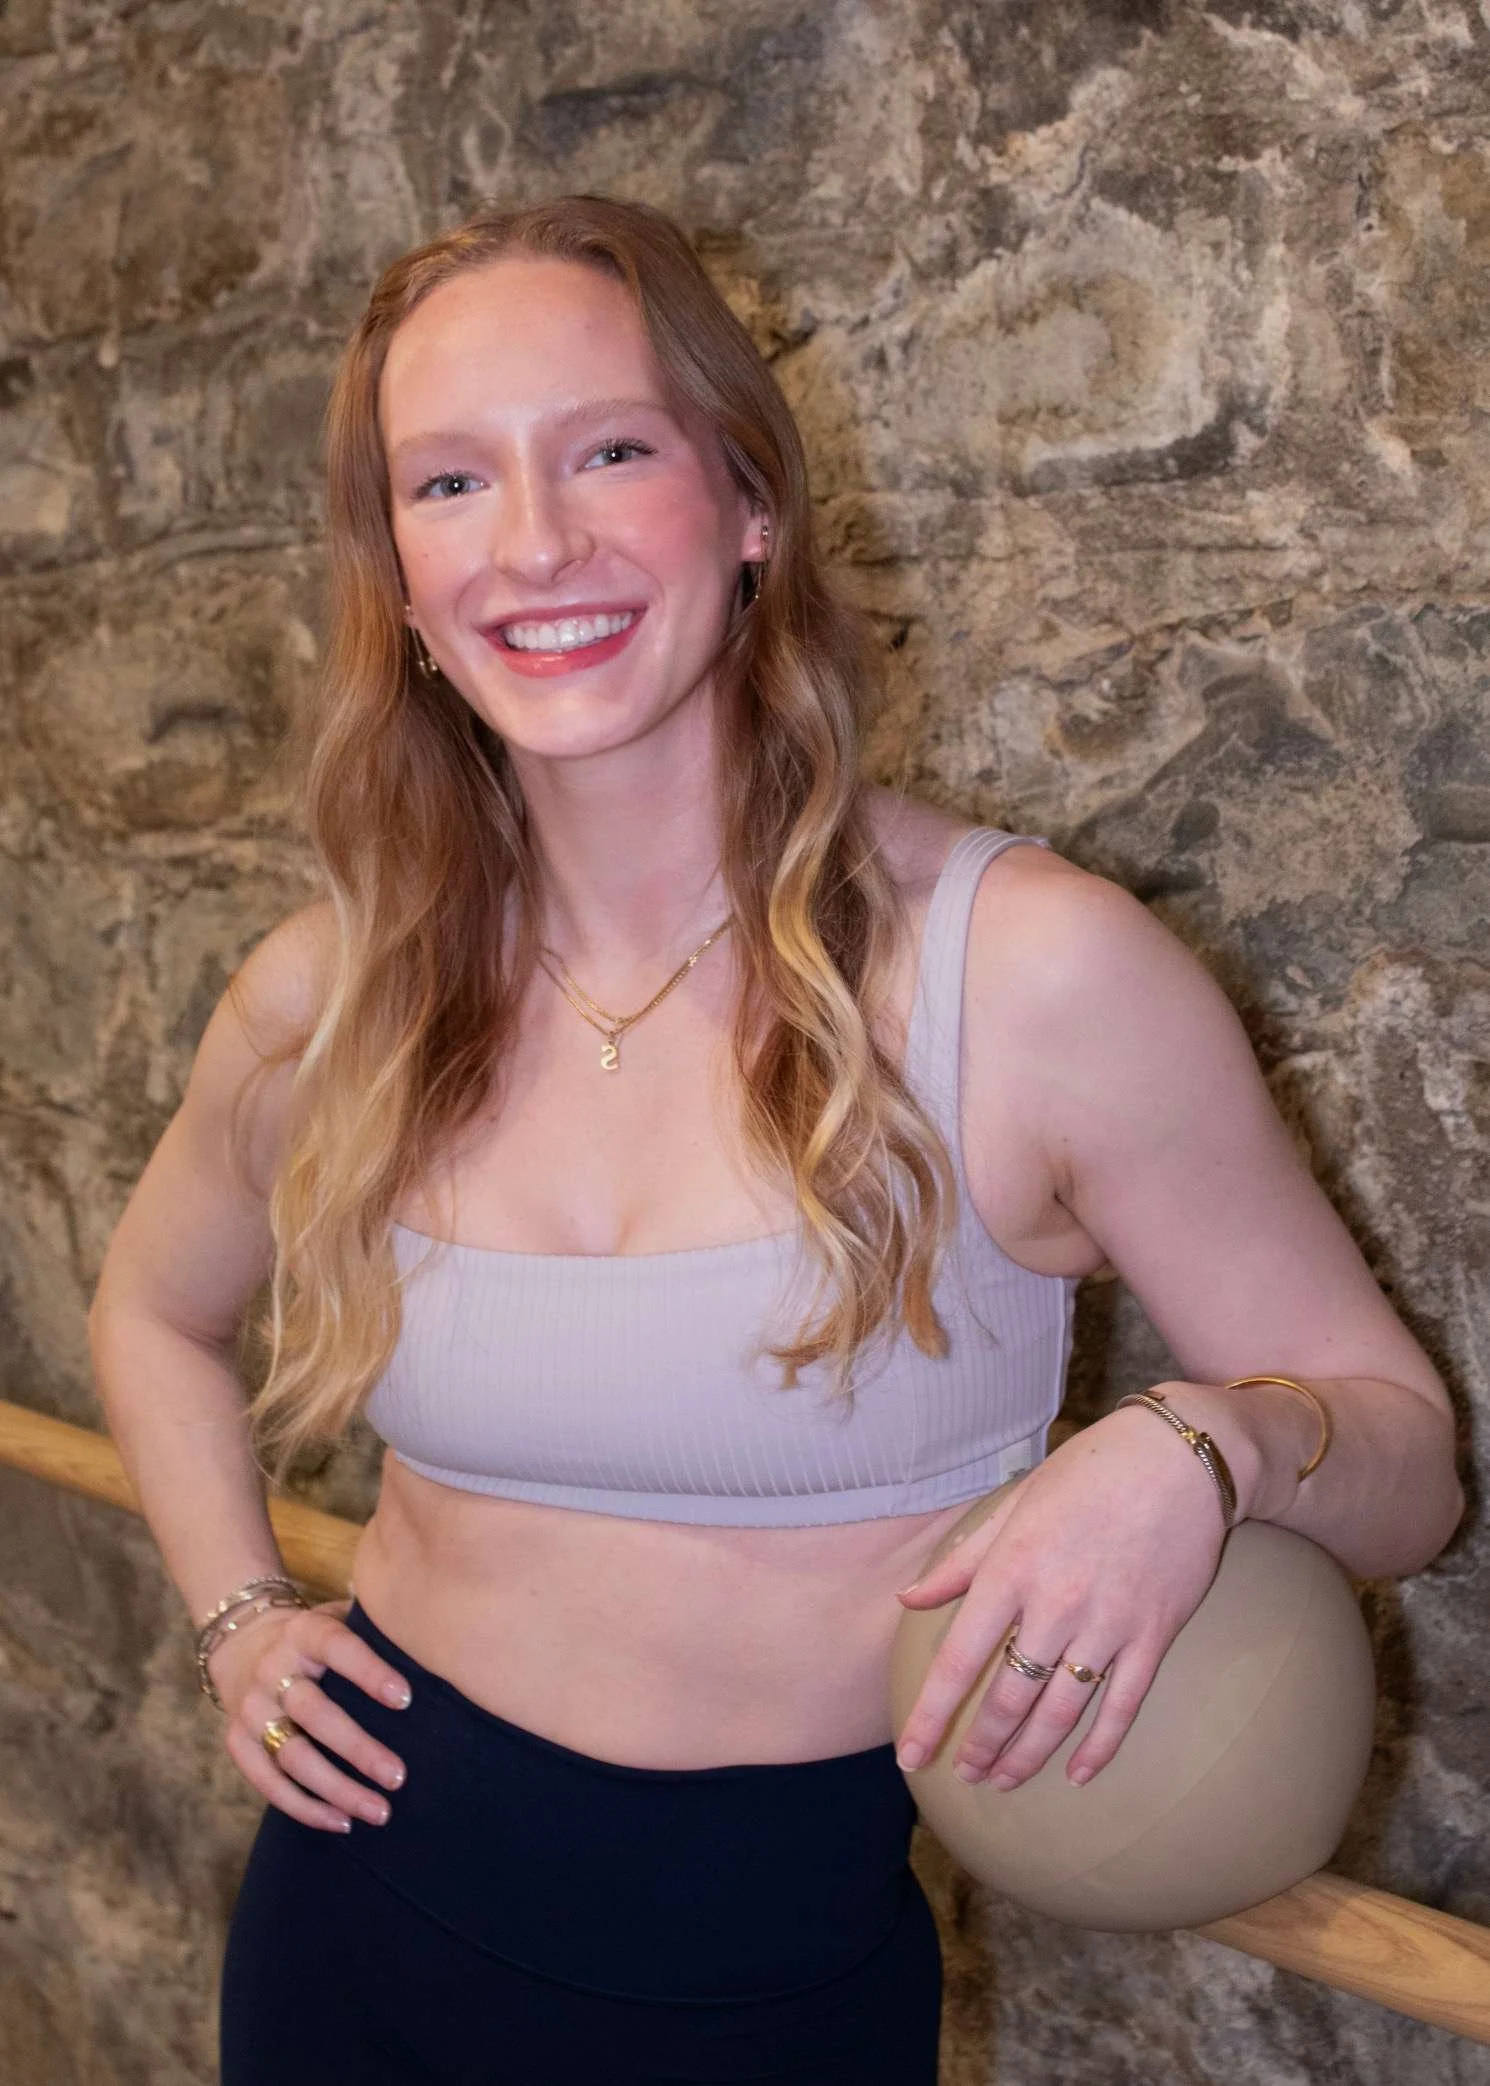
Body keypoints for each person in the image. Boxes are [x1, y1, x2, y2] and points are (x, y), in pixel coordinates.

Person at [87, 195, 1464, 2086]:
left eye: (610, 450)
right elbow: (153, 1313)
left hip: (765, 2003)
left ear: (748, 501)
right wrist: (242, 1615)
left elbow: (1405, 1463)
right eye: (450, 482)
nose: (535, 541)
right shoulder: (334, 991)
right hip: (349, 1929)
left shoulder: (1030, 975)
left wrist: (1203, 1444)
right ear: (397, 578)